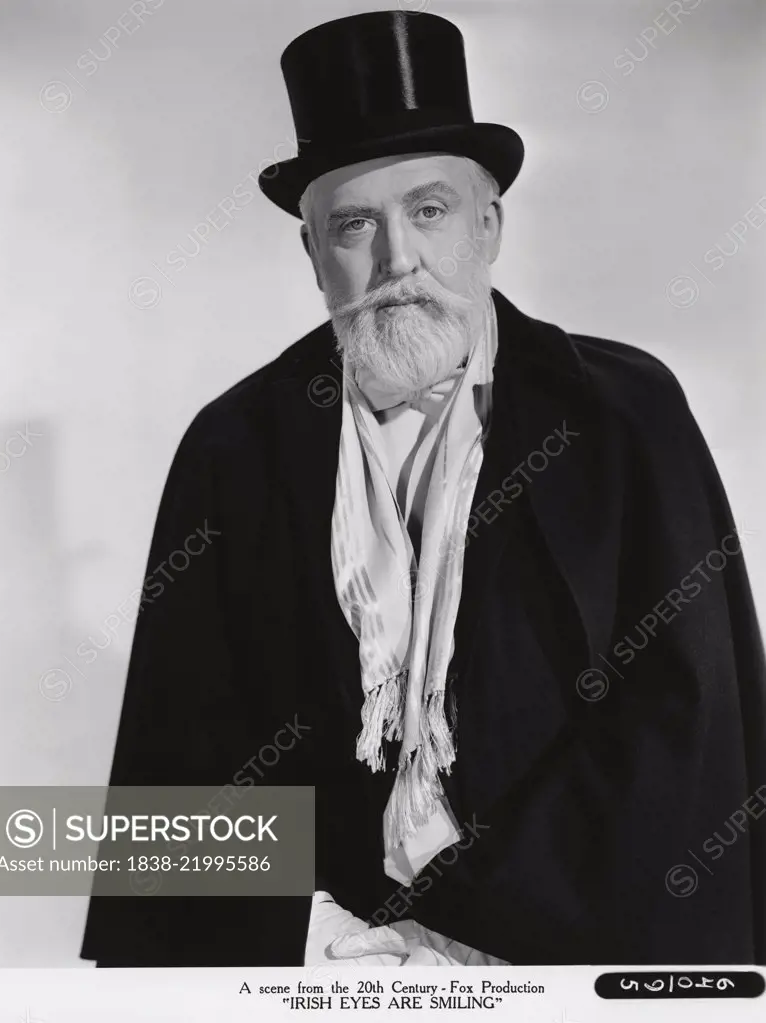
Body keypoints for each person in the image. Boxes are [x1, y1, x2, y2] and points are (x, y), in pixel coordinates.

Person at [81, 10, 766, 967]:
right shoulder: (232, 448)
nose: (398, 260)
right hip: (335, 963)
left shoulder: (625, 415)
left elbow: (686, 722)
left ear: (488, 226)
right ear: (314, 257)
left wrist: (483, 924)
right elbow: (186, 754)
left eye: (431, 210)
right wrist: (302, 931)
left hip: (566, 957)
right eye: (356, 224)